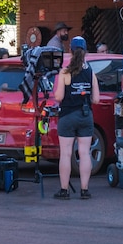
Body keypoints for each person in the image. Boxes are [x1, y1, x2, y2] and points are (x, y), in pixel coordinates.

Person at [52, 37, 100, 200]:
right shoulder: (90, 72)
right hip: (85, 116)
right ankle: (85, 190)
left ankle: (64, 190)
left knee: (65, 154)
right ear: (85, 51)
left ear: (70, 51)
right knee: (84, 153)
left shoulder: (65, 72)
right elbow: (96, 99)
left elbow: (58, 96)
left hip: (67, 116)